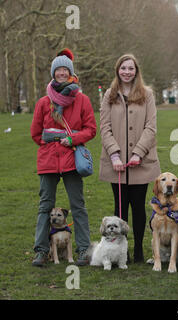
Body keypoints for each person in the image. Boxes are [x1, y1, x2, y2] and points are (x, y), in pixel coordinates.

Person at [30, 48, 97, 267]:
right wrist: (50, 142)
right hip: (48, 162)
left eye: (64, 70)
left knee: (77, 206)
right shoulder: (43, 102)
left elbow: (91, 129)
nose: (61, 73)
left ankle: (83, 250)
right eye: (57, 70)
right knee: (44, 206)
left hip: (71, 161)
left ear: (70, 73)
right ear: (53, 73)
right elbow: (35, 133)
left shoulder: (82, 100)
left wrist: (73, 139)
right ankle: (41, 251)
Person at [99, 54, 161, 263]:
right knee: (119, 207)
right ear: (118, 70)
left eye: (130, 68)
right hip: (116, 164)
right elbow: (105, 127)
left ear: (136, 71)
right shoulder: (110, 95)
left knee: (137, 206)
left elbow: (151, 127)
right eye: (123, 68)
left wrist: (138, 153)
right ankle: (119, 251)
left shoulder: (147, 94)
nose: (127, 72)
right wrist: (114, 154)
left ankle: (138, 251)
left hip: (140, 163)